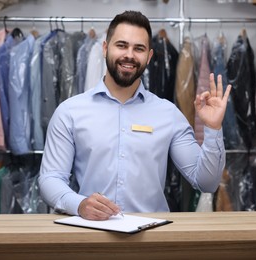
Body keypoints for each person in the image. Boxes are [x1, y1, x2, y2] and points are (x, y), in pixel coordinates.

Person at [38, 10, 231, 220]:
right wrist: (79, 204)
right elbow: (50, 179)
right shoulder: (70, 112)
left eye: (138, 48)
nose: (129, 55)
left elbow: (207, 182)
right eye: (121, 45)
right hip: (92, 237)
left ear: (148, 57)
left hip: (152, 241)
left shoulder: (168, 114)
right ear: (105, 48)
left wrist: (213, 129)